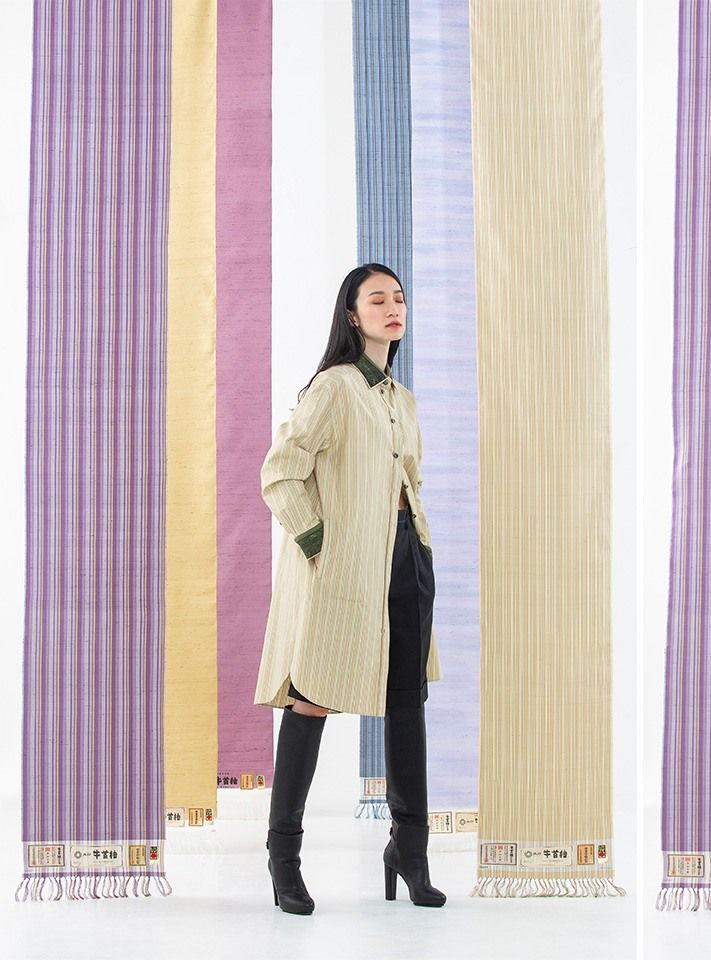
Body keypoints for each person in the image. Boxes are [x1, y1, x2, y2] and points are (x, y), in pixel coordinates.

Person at [253, 263, 445, 914]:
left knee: (407, 702)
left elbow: (408, 479)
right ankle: (283, 858)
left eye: (399, 298)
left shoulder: (401, 399)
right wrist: (317, 542)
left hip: (406, 555)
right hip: (343, 564)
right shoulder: (334, 388)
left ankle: (409, 852)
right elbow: (281, 472)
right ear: (352, 315)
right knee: (311, 698)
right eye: (377, 299)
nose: (393, 308)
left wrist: (418, 545)